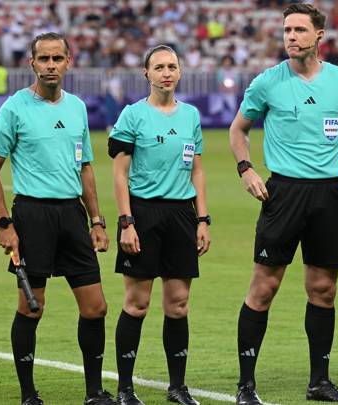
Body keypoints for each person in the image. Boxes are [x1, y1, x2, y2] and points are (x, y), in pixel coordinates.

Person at [229, 4, 338, 404]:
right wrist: (246, 170)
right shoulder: (267, 82)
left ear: (319, 36)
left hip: (329, 195)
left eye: (299, 30)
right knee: (264, 288)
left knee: (323, 290)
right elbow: (239, 130)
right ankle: (245, 385)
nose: (291, 37)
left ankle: (319, 383)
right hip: (283, 193)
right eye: (287, 30)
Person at [0, 32, 115, 405]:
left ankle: (94, 392)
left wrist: (97, 221)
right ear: (32, 64)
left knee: (96, 307)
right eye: (44, 59)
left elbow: (86, 167)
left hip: (72, 216)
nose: (51, 65)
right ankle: (28, 394)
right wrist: (3, 224)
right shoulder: (14, 108)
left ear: (69, 62)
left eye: (58, 58)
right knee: (31, 307)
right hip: (32, 216)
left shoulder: (77, 108)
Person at [108, 45, 211, 405]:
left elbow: (197, 170)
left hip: (182, 215)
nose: (166, 72)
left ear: (180, 72)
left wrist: (202, 218)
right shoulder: (132, 116)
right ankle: (124, 389)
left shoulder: (191, 116)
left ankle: (177, 387)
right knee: (137, 303)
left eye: (172, 66)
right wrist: (126, 222)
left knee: (179, 304)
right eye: (159, 67)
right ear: (146, 73)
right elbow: (120, 175)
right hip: (144, 214)